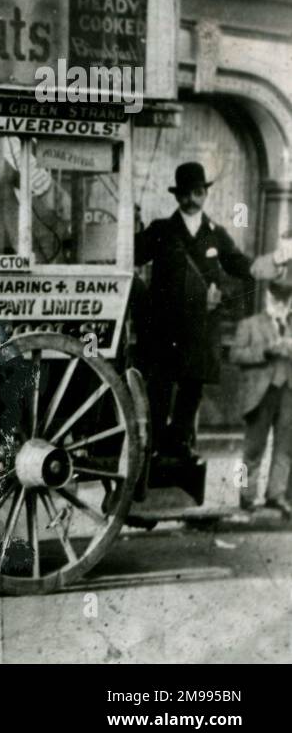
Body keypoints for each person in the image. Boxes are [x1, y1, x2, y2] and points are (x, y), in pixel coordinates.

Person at [135, 162, 290, 461]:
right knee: (160, 387)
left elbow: (241, 268)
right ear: (176, 196)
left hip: (200, 327)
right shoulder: (161, 231)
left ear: (204, 194)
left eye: (196, 193)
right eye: (184, 194)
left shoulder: (216, 234)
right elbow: (134, 255)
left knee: (192, 387)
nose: (191, 200)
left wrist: (227, 293)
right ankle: (153, 447)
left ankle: (179, 445)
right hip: (165, 326)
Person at [229, 272, 292, 519]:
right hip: (260, 394)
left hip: (288, 392)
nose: (282, 304)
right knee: (252, 450)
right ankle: (245, 496)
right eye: (278, 298)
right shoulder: (250, 324)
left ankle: (276, 496)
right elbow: (235, 355)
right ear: (268, 297)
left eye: (286, 299)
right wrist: (266, 351)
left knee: (286, 448)